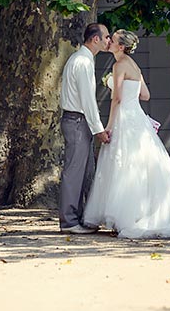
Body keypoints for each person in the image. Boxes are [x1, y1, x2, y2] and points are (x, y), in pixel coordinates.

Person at [83, 30, 170, 239]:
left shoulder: (119, 65)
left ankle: (128, 217)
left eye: (112, 40)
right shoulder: (134, 65)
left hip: (124, 118)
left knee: (123, 164)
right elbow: (145, 95)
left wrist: (109, 125)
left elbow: (117, 100)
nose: (109, 42)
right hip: (137, 118)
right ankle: (141, 213)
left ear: (120, 46)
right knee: (141, 163)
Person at [58, 23, 112, 234]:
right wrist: (98, 129)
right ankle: (69, 222)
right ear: (95, 39)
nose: (109, 41)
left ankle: (80, 218)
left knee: (85, 171)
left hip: (79, 122)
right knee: (74, 171)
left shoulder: (84, 60)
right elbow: (88, 100)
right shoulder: (82, 62)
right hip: (77, 121)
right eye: (106, 37)